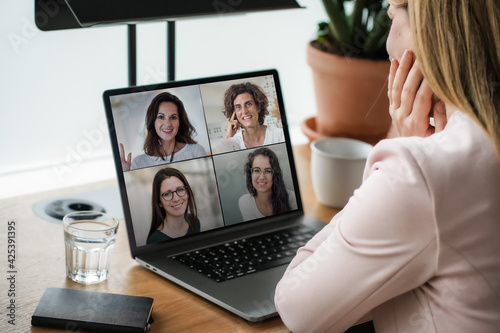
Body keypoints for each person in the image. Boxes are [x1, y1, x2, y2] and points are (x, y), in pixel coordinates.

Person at [275, 1, 500, 332]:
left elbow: (295, 308)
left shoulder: (422, 172)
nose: (387, 44)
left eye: (394, 14)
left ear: (430, 36)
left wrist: (405, 146)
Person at [120, 92, 207, 171]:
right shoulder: (139, 163)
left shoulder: (196, 151)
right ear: (153, 121)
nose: (168, 123)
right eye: (161, 117)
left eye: (173, 117)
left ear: (179, 122)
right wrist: (127, 174)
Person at [215, 82, 285, 153]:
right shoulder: (234, 143)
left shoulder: (279, 135)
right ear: (235, 113)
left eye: (248, 104)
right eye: (238, 107)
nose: (244, 111)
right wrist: (228, 138)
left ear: (258, 107)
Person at [238, 148, 297, 221]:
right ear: (251, 174)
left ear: (275, 174)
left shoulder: (292, 199)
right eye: (256, 170)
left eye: (268, 171)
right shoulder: (245, 202)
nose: (262, 177)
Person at [147, 168, 200, 244]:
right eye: (167, 194)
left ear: (187, 192)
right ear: (159, 202)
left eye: (180, 189)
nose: (176, 199)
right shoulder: (155, 240)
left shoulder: (194, 221)